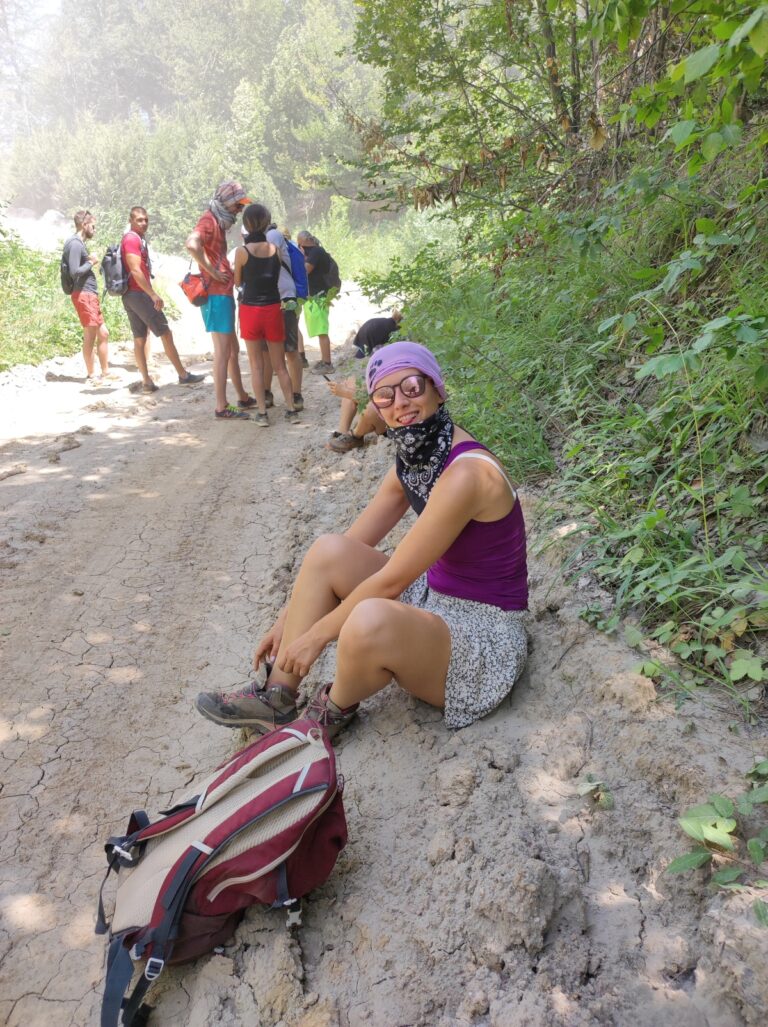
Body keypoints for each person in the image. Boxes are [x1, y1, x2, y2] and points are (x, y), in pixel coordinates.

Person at [196, 341, 528, 738]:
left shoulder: (466, 474)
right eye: (385, 395)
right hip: (434, 600)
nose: (400, 403)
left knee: (367, 617)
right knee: (328, 550)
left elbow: (392, 582)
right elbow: (353, 543)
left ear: (438, 389)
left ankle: (328, 714)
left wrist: (316, 636)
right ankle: (276, 696)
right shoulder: (418, 458)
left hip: (481, 635)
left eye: (412, 387)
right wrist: (287, 622)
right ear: (376, 407)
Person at [185, 181, 256, 420]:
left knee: (232, 349)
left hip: (220, 293)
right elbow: (191, 244)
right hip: (216, 293)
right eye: (237, 205)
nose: (239, 210)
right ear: (226, 202)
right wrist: (213, 272)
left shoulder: (216, 222)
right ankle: (221, 405)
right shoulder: (209, 221)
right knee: (223, 351)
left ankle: (242, 397)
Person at [121, 207, 205, 395]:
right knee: (165, 333)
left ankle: (146, 382)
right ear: (131, 220)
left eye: (146, 220)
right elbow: (135, 270)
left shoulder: (133, 239)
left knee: (140, 338)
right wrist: (152, 294)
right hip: (139, 294)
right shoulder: (132, 239)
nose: (143, 223)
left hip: (130, 294)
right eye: (139, 220)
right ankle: (183, 375)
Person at [233, 204, 298, 425]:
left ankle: (262, 413)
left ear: (247, 224)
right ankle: (291, 409)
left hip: (250, 310)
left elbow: (238, 282)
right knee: (279, 364)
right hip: (272, 308)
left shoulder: (241, 252)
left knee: (256, 364)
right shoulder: (275, 250)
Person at [257, 222, 304, 413]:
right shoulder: (258, 240)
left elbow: (272, 260)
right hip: (266, 299)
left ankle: (296, 393)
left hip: (283, 298)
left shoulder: (273, 235)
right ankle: (267, 392)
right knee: (265, 351)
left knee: (290, 350)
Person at [62, 210, 112, 381]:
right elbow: (75, 271)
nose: (94, 229)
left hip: (89, 294)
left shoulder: (79, 243)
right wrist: (91, 261)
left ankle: (105, 372)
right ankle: (92, 375)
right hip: (83, 294)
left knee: (103, 333)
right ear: (84, 225)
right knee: (90, 334)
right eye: (93, 225)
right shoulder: (75, 243)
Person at [296, 230, 335, 374]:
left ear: (305, 241)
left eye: (299, 243)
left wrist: (300, 256)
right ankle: (325, 360)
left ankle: (327, 364)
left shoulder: (317, 252)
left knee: (322, 331)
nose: (299, 246)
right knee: (319, 330)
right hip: (314, 296)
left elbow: (306, 270)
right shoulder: (315, 252)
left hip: (319, 297)